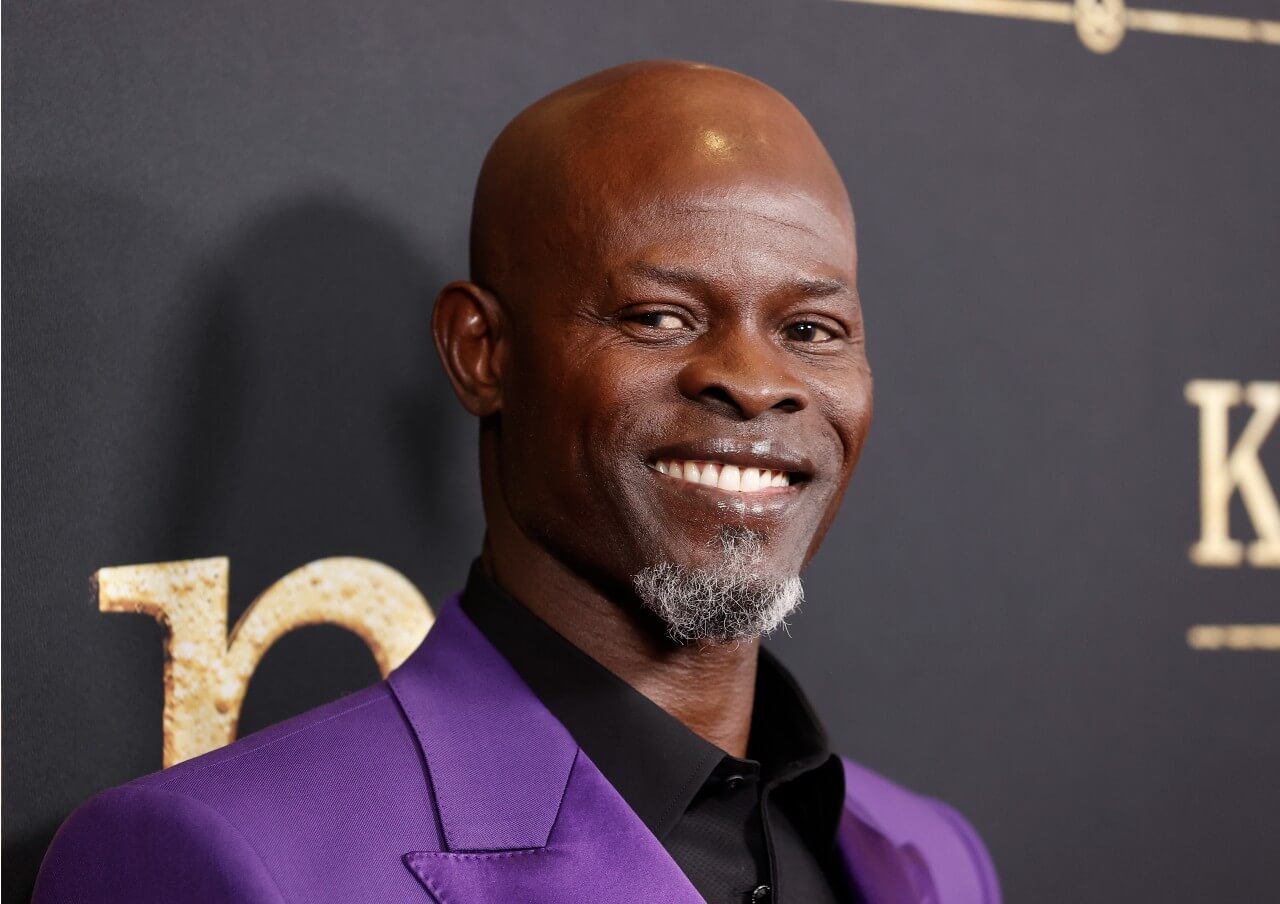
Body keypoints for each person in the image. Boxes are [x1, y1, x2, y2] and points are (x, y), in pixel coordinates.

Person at [33, 60, 1000, 904]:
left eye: (811, 331)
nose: (755, 381)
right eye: (661, 316)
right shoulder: (215, 861)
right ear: (481, 352)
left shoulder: (936, 858)